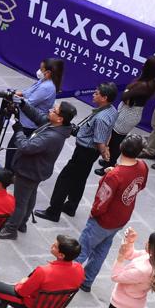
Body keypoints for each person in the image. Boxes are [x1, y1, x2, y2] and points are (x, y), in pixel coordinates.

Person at [72, 135, 148, 289]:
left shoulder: (115, 175)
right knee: (101, 250)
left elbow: (102, 200)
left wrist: (94, 212)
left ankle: (68, 278)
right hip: (121, 218)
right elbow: (141, 186)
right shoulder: (142, 166)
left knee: (82, 249)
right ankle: (87, 281)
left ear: (121, 147)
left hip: (103, 220)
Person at [36, 82, 117, 221]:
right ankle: (71, 206)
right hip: (89, 151)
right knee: (80, 179)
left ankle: (53, 212)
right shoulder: (112, 110)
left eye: (97, 93)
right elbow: (107, 133)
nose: (93, 94)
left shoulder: (102, 118)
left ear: (104, 98)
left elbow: (99, 140)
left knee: (65, 179)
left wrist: (105, 151)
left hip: (85, 151)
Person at [0, 100, 76, 239]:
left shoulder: (52, 136)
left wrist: (19, 131)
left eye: (54, 110)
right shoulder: (55, 125)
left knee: (19, 202)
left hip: (29, 171)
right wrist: (23, 104)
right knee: (29, 197)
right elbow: (37, 116)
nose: (50, 110)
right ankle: (22, 223)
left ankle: (11, 229)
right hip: (36, 169)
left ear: (60, 118)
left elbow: (26, 147)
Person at [0, 235, 84, 308]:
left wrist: (21, 283)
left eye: (55, 246)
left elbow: (21, 292)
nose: (52, 245)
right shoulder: (80, 269)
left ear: (61, 255)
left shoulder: (43, 271)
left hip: (31, 307)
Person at [99, 57, 155, 174]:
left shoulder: (145, 85)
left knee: (116, 142)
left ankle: (109, 166)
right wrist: (128, 93)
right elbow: (127, 95)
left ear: (150, 68)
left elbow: (124, 96)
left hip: (128, 115)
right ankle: (108, 160)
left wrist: (128, 92)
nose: (143, 65)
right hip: (126, 111)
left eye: (146, 64)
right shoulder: (147, 81)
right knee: (113, 139)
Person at [4, 57, 62, 171]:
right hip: (25, 120)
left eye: (41, 69)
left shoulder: (47, 87)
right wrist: (16, 93)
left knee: (13, 149)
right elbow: (28, 92)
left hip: (29, 124)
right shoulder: (43, 81)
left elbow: (29, 103)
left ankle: (9, 172)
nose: (39, 71)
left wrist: (15, 100)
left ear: (48, 72)